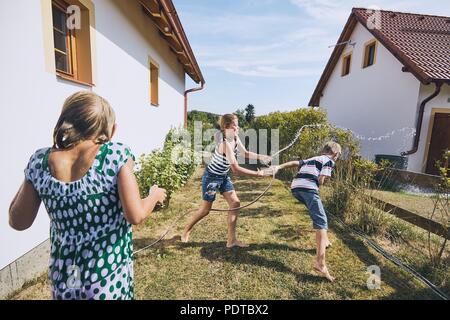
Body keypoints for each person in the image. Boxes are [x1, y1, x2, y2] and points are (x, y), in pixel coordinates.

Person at [9, 91, 166, 299]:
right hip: (106, 278)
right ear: (111, 129)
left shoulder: (40, 160)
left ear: (66, 122)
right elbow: (135, 215)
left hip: (63, 278)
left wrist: (31, 173)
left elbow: (18, 222)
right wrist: (154, 195)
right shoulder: (114, 155)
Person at [181, 114, 271, 248]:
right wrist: (257, 174)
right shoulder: (225, 144)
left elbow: (245, 153)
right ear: (227, 126)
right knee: (206, 210)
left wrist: (261, 156)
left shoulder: (235, 138)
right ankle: (186, 231)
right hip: (211, 178)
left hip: (223, 177)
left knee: (235, 203)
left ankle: (231, 240)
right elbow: (235, 168)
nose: (238, 126)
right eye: (235, 124)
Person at [273, 141, 341, 281]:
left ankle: (325, 241)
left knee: (318, 214)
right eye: (338, 156)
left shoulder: (314, 158)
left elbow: (294, 163)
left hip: (296, 188)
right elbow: (321, 180)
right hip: (308, 189)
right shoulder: (329, 161)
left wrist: (279, 166)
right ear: (335, 154)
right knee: (321, 221)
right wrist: (324, 181)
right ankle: (320, 263)